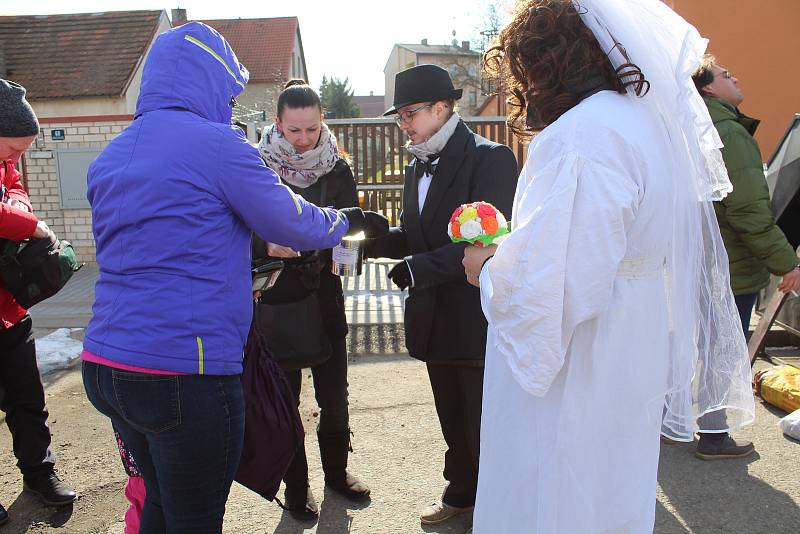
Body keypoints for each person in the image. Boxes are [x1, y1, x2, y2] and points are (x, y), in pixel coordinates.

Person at [80, 23, 387, 533]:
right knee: (196, 519)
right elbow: (289, 219)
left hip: (106, 364)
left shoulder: (111, 154)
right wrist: (345, 221)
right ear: (208, 83)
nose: (230, 103)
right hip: (183, 369)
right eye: (228, 91)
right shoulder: (218, 145)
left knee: (159, 502)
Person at [461, 1, 755, 532]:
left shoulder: (584, 135)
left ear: (547, 63)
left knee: (561, 487)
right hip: (631, 332)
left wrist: (488, 266)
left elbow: (558, 288)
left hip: (586, 354)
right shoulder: (645, 123)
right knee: (613, 487)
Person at [366, 64, 518, 526]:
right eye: (400, 116)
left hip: (475, 315)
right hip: (434, 316)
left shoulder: (491, 158)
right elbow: (418, 237)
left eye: (410, 113)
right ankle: (461, 493)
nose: (404, 124)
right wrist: (365, 240)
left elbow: (489, 242)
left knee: (482, 419)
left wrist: (417, 269)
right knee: (451, 415)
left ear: (442, 107)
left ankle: (499, 506)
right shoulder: (416, 164)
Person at [253, 79, 370, 519]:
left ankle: (337, 474)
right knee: (286, 405)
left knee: (334, 397)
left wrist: (347, 260)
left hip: (323, 297)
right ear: (278, 124)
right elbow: (239, 225)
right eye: (294, 131)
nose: (303, 140)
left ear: (322, 122)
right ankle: (298, 487)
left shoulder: (337, 169)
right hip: (275, 303)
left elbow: (350, 227)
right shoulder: (257, 167)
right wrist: (263, 244)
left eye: (311, 130)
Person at [692, 55, 800, 459]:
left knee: (697, 346)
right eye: (725, 75)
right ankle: (714, 436)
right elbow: (748, 210)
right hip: (729, 264)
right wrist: (786, 262)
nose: (734, 78)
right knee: (722, 349)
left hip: (699, 259)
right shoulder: (729, 133)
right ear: (707, 88)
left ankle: (682, 425)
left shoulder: (691, 128)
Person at [0, 78, 77, 525]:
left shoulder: (6, 166)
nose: (17, 160)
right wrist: (30, 226)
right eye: (11, 149)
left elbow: (18, 197)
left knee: (29, 401)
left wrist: (19, 212)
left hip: (10, 313)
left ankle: (39, 474)